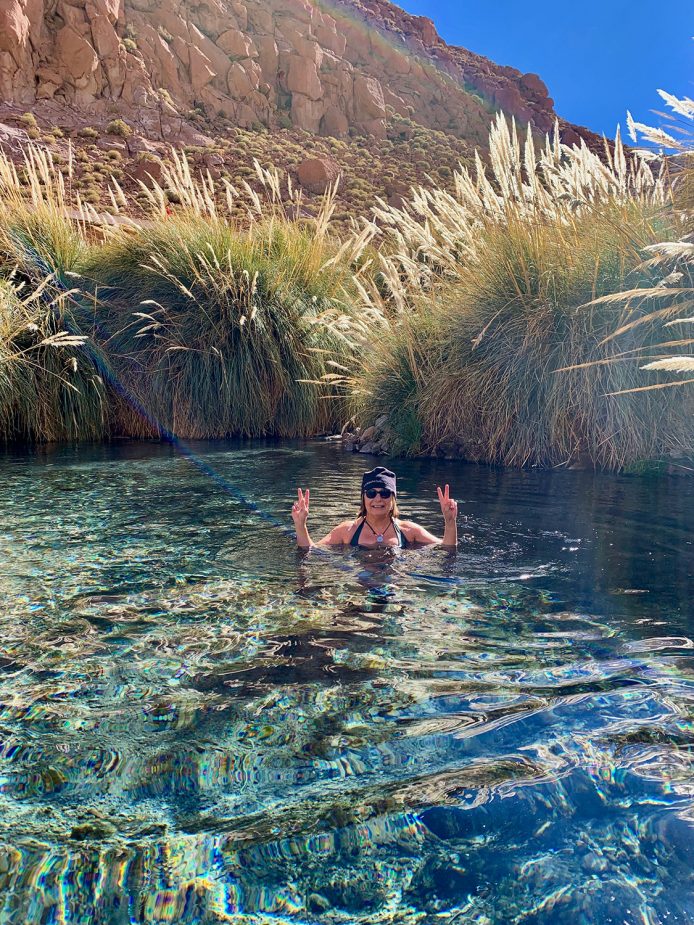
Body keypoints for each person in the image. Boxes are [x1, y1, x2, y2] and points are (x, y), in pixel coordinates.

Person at [291, 466, 457, 549]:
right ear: (363, 498)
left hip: (395, 593)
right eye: (371, 493)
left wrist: (450, 522)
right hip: (359, 594)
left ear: (393, 499)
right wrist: (301, 525)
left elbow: (446, 548)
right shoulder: (347, 531)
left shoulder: (409, 531)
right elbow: (312, 551)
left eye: (385, 493)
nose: (378, 498)